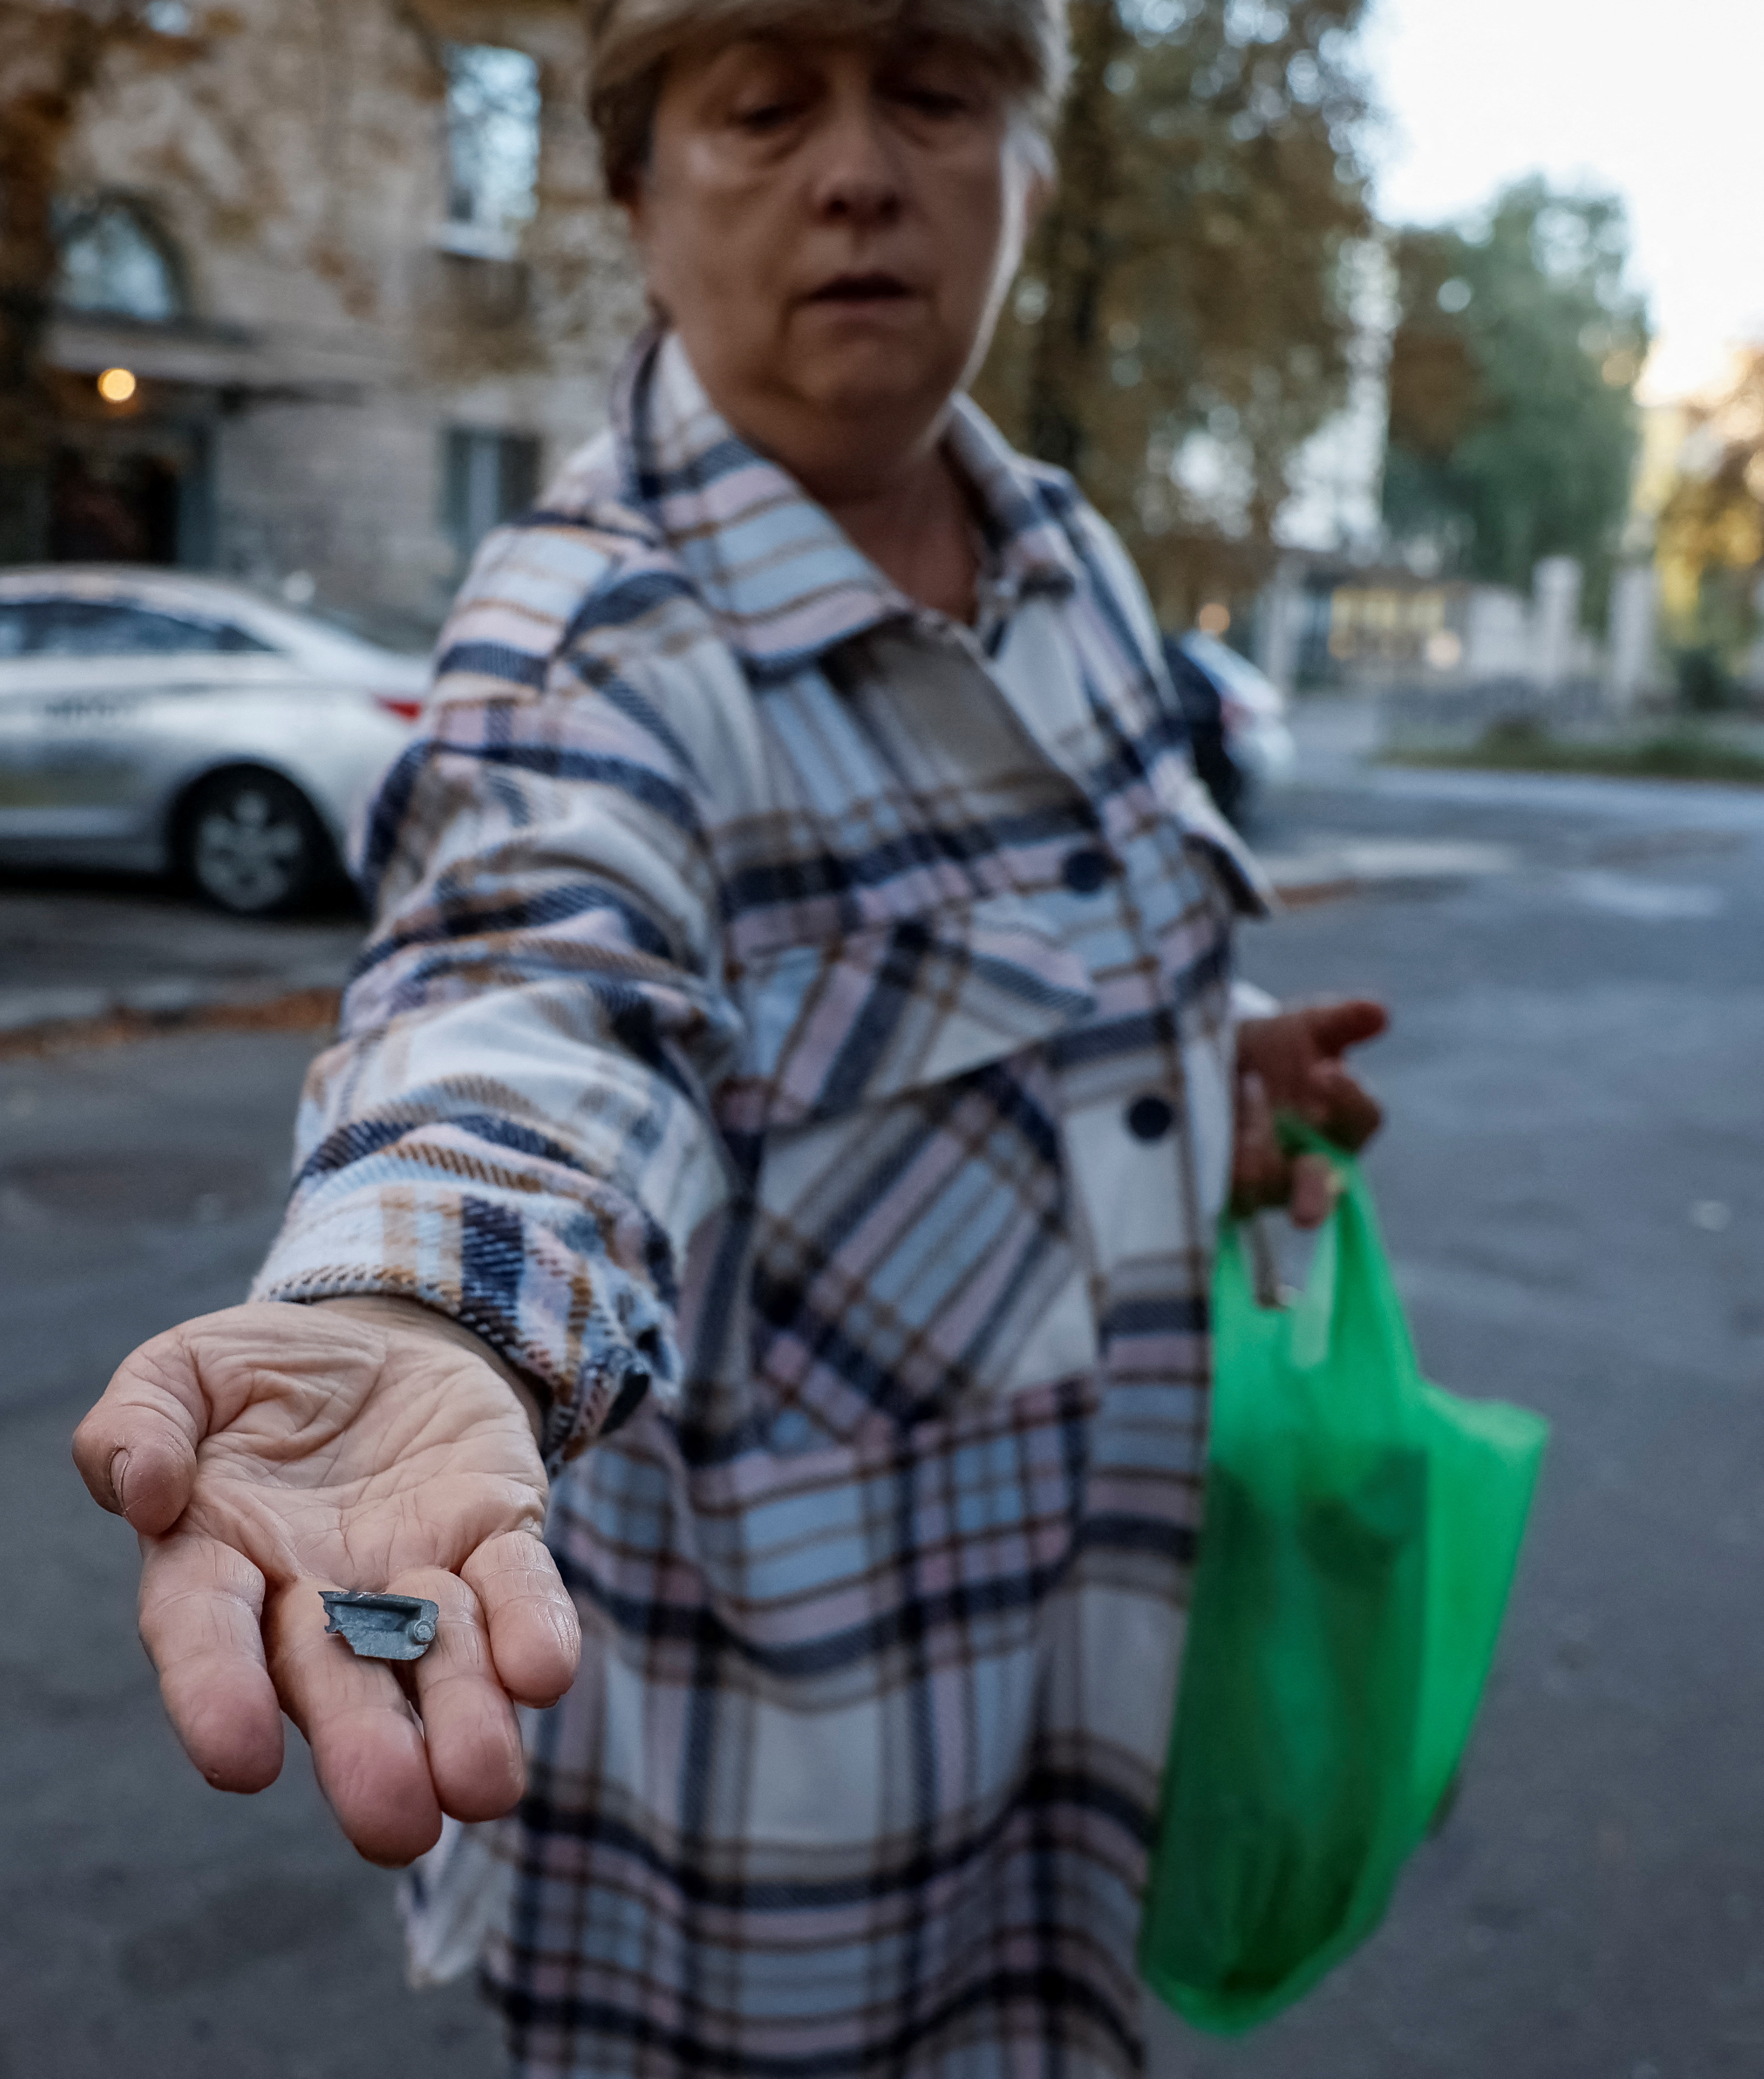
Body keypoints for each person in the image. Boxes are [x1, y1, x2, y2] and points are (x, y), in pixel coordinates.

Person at [73, 2, 1387, 2071]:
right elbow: (528, 975)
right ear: (635, 193)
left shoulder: (1073, 566)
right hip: (763, 1876)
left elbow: (995, 1001)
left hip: (1069, 1760)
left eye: (933, 96)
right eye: (764, 108)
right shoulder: (586, 638)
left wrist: (1189, 1070)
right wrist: (434, 1301)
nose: (855, 171)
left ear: (1024, 165)